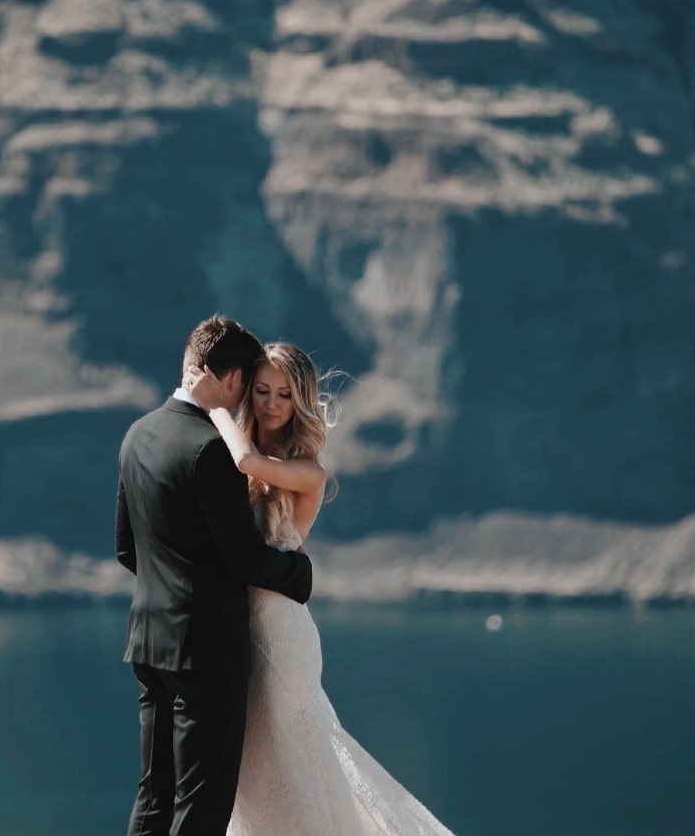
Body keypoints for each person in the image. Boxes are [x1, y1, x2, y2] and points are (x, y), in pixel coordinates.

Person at [185, 341, 456, 836]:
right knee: (253, 775)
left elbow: (247, 461)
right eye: (262, 390)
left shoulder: (306, 472)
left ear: (300, 403)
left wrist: (213, 406)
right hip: (237, 637)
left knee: (295, 767)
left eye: (284, 395)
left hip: (282, 640)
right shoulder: (226, 452)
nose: (270, 403)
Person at [115, 315, 314, 836]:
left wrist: (173, 584)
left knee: (154, 795)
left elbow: (125, 549)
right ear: (229, 382)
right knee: (201, 807)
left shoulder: (137, 435)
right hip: (206, 655)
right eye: (250, 386)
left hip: (148, 644)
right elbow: (245, 560)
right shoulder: (211, 450)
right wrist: (299, 575)